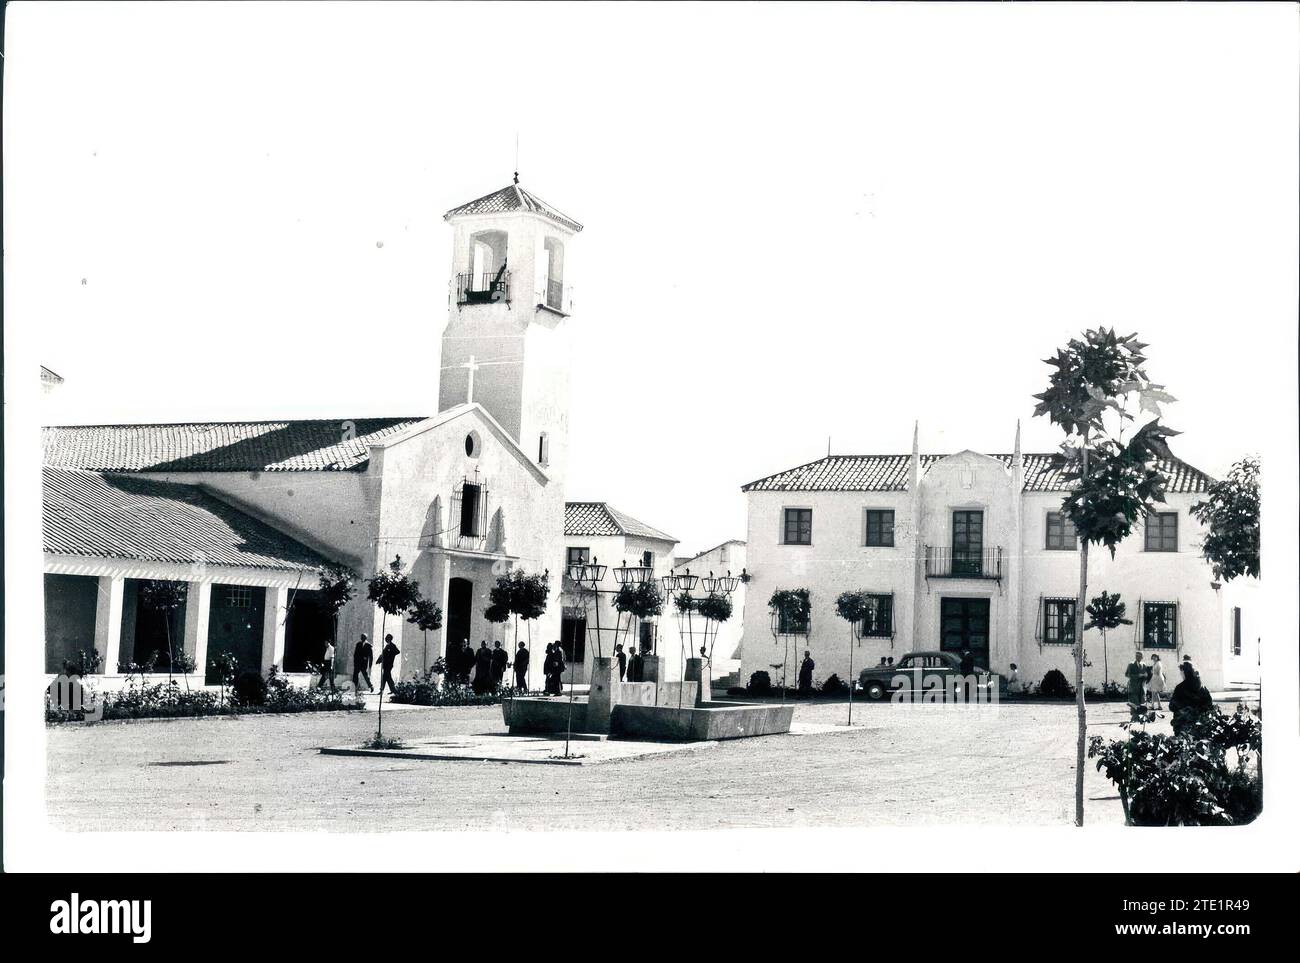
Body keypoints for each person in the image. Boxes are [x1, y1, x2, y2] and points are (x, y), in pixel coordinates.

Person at [1169, 660, 1214, 734]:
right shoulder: (1202, 687)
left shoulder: (1180, 688)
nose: (1180, 674)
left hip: (1183, 727)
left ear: (1184, 672)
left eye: (1181, 671)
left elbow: (1172, 706)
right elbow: (1209, 706)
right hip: (1200, 727)